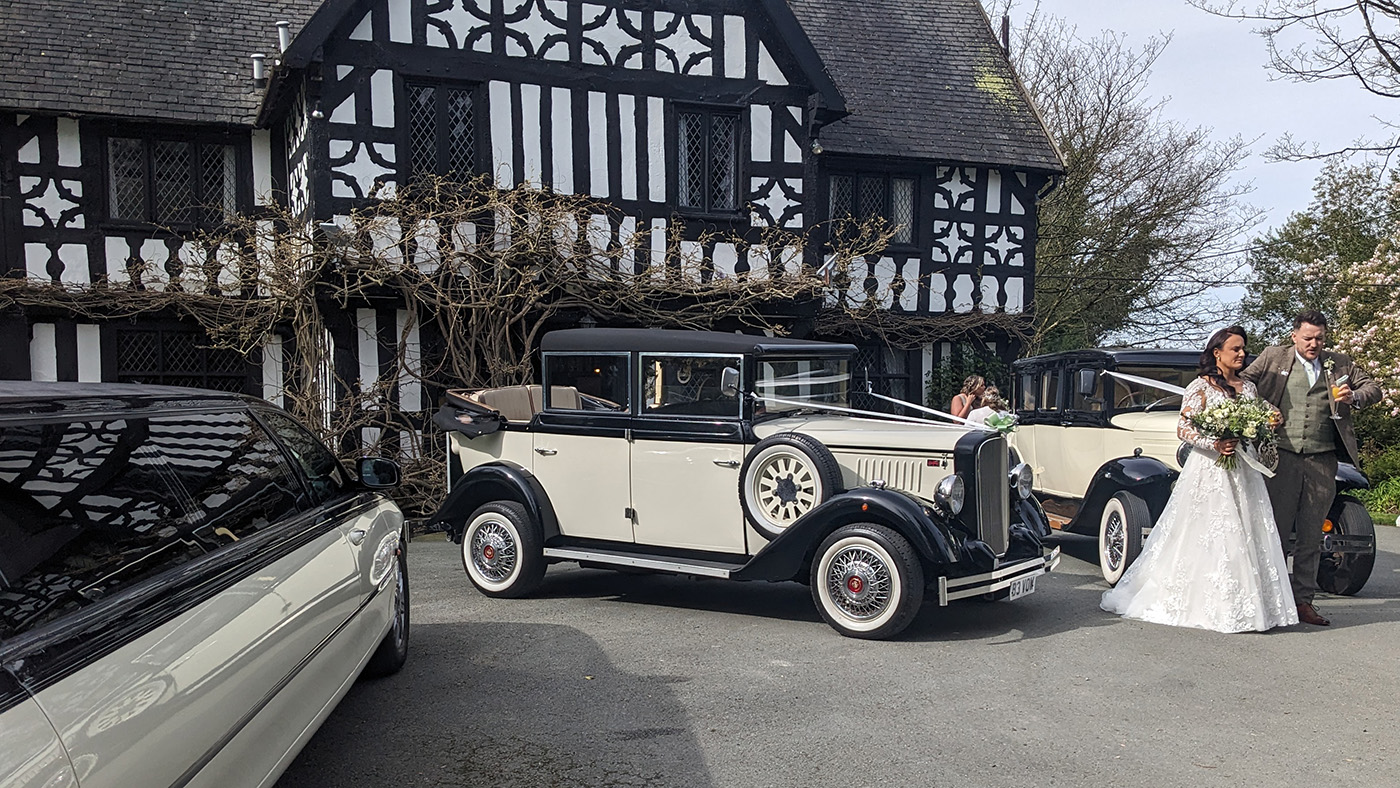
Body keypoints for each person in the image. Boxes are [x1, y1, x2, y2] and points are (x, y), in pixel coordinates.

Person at [1101, 326, 1298, 632]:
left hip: (1244, 470)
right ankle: (1213, 603)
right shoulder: (1200, 387)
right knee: (1211, 532)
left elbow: (1262, 413)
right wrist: (1215, 444)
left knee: (1248, 531)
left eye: (1244, 349)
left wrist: (1268, 419)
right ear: (1217, 353)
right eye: (1236, 349)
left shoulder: (1247, 388)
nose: (1242, 354)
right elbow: (1184, 428)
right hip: (1211, 470)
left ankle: (1253, 606)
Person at [1242, 310, 1381, 626]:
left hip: (1322, 459)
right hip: (1280, 456)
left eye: (1319, 338)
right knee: (1274, 531)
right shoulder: (1274, 357)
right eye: (1308, 338)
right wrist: (1262, 407)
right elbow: (1244, 380)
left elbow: (1374, 389)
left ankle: (1303, 602)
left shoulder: (1340, 364)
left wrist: (1355, 395)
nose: (1314, 344)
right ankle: (1269, 599)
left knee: (1310, 536)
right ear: (1294, 336)